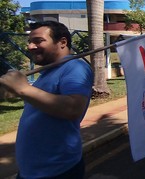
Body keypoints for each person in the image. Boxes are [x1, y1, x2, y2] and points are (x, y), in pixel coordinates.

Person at [0, 21, 93, 178]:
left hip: (57, 171)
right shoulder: (48, 72)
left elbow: (74, 109)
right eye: (30, 42)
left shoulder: (74, 67)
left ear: (62, 42)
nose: (30, 47)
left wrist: (23, 88)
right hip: (31, 171)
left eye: (38, 41)